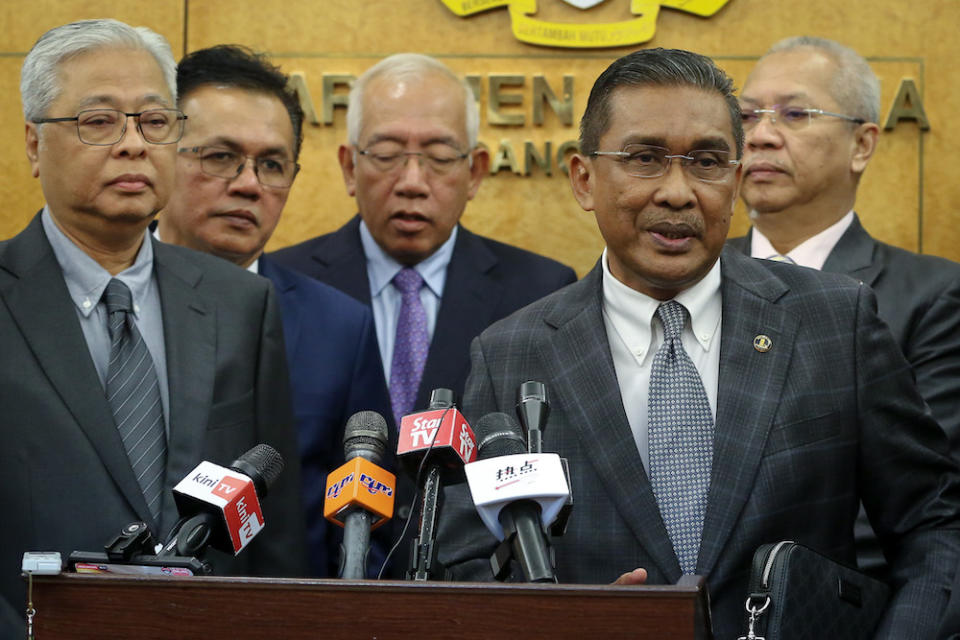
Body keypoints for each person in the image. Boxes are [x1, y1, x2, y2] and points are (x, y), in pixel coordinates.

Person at [436, 47, 960, 639]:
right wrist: (559, 623)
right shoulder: (511, 353)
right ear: (584, 179)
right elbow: (464, 563)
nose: (678, 192)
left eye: (707, 162)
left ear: (736, 181)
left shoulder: (834, 322)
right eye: (645, 158)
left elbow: (935, 523)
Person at [0, 20, 307, 632]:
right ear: (34, 144)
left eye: (154, 121)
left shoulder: (240, 304)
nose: (133, 144)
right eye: (98, 121)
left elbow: (272, 535)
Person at [270, 53, 576, 570]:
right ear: (349, 166)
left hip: (475, 591)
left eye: (438, 156)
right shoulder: (281, 289)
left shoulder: (542, 291)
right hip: (321, 588)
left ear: (475, 171)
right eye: (386, 154)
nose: (412, 180)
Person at [728, 35, 960, 575]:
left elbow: (927, 503)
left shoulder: (931, 297)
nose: (761, 136)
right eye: (746, 115)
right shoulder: (692, 279)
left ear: (862, 144)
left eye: (795, 114)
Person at [156, 45, 389, 577]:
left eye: (272, 164)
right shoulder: (107, 301)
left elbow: (367, 528)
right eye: (219, 157)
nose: (248, 184)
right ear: (160, 151)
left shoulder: (338, 327)